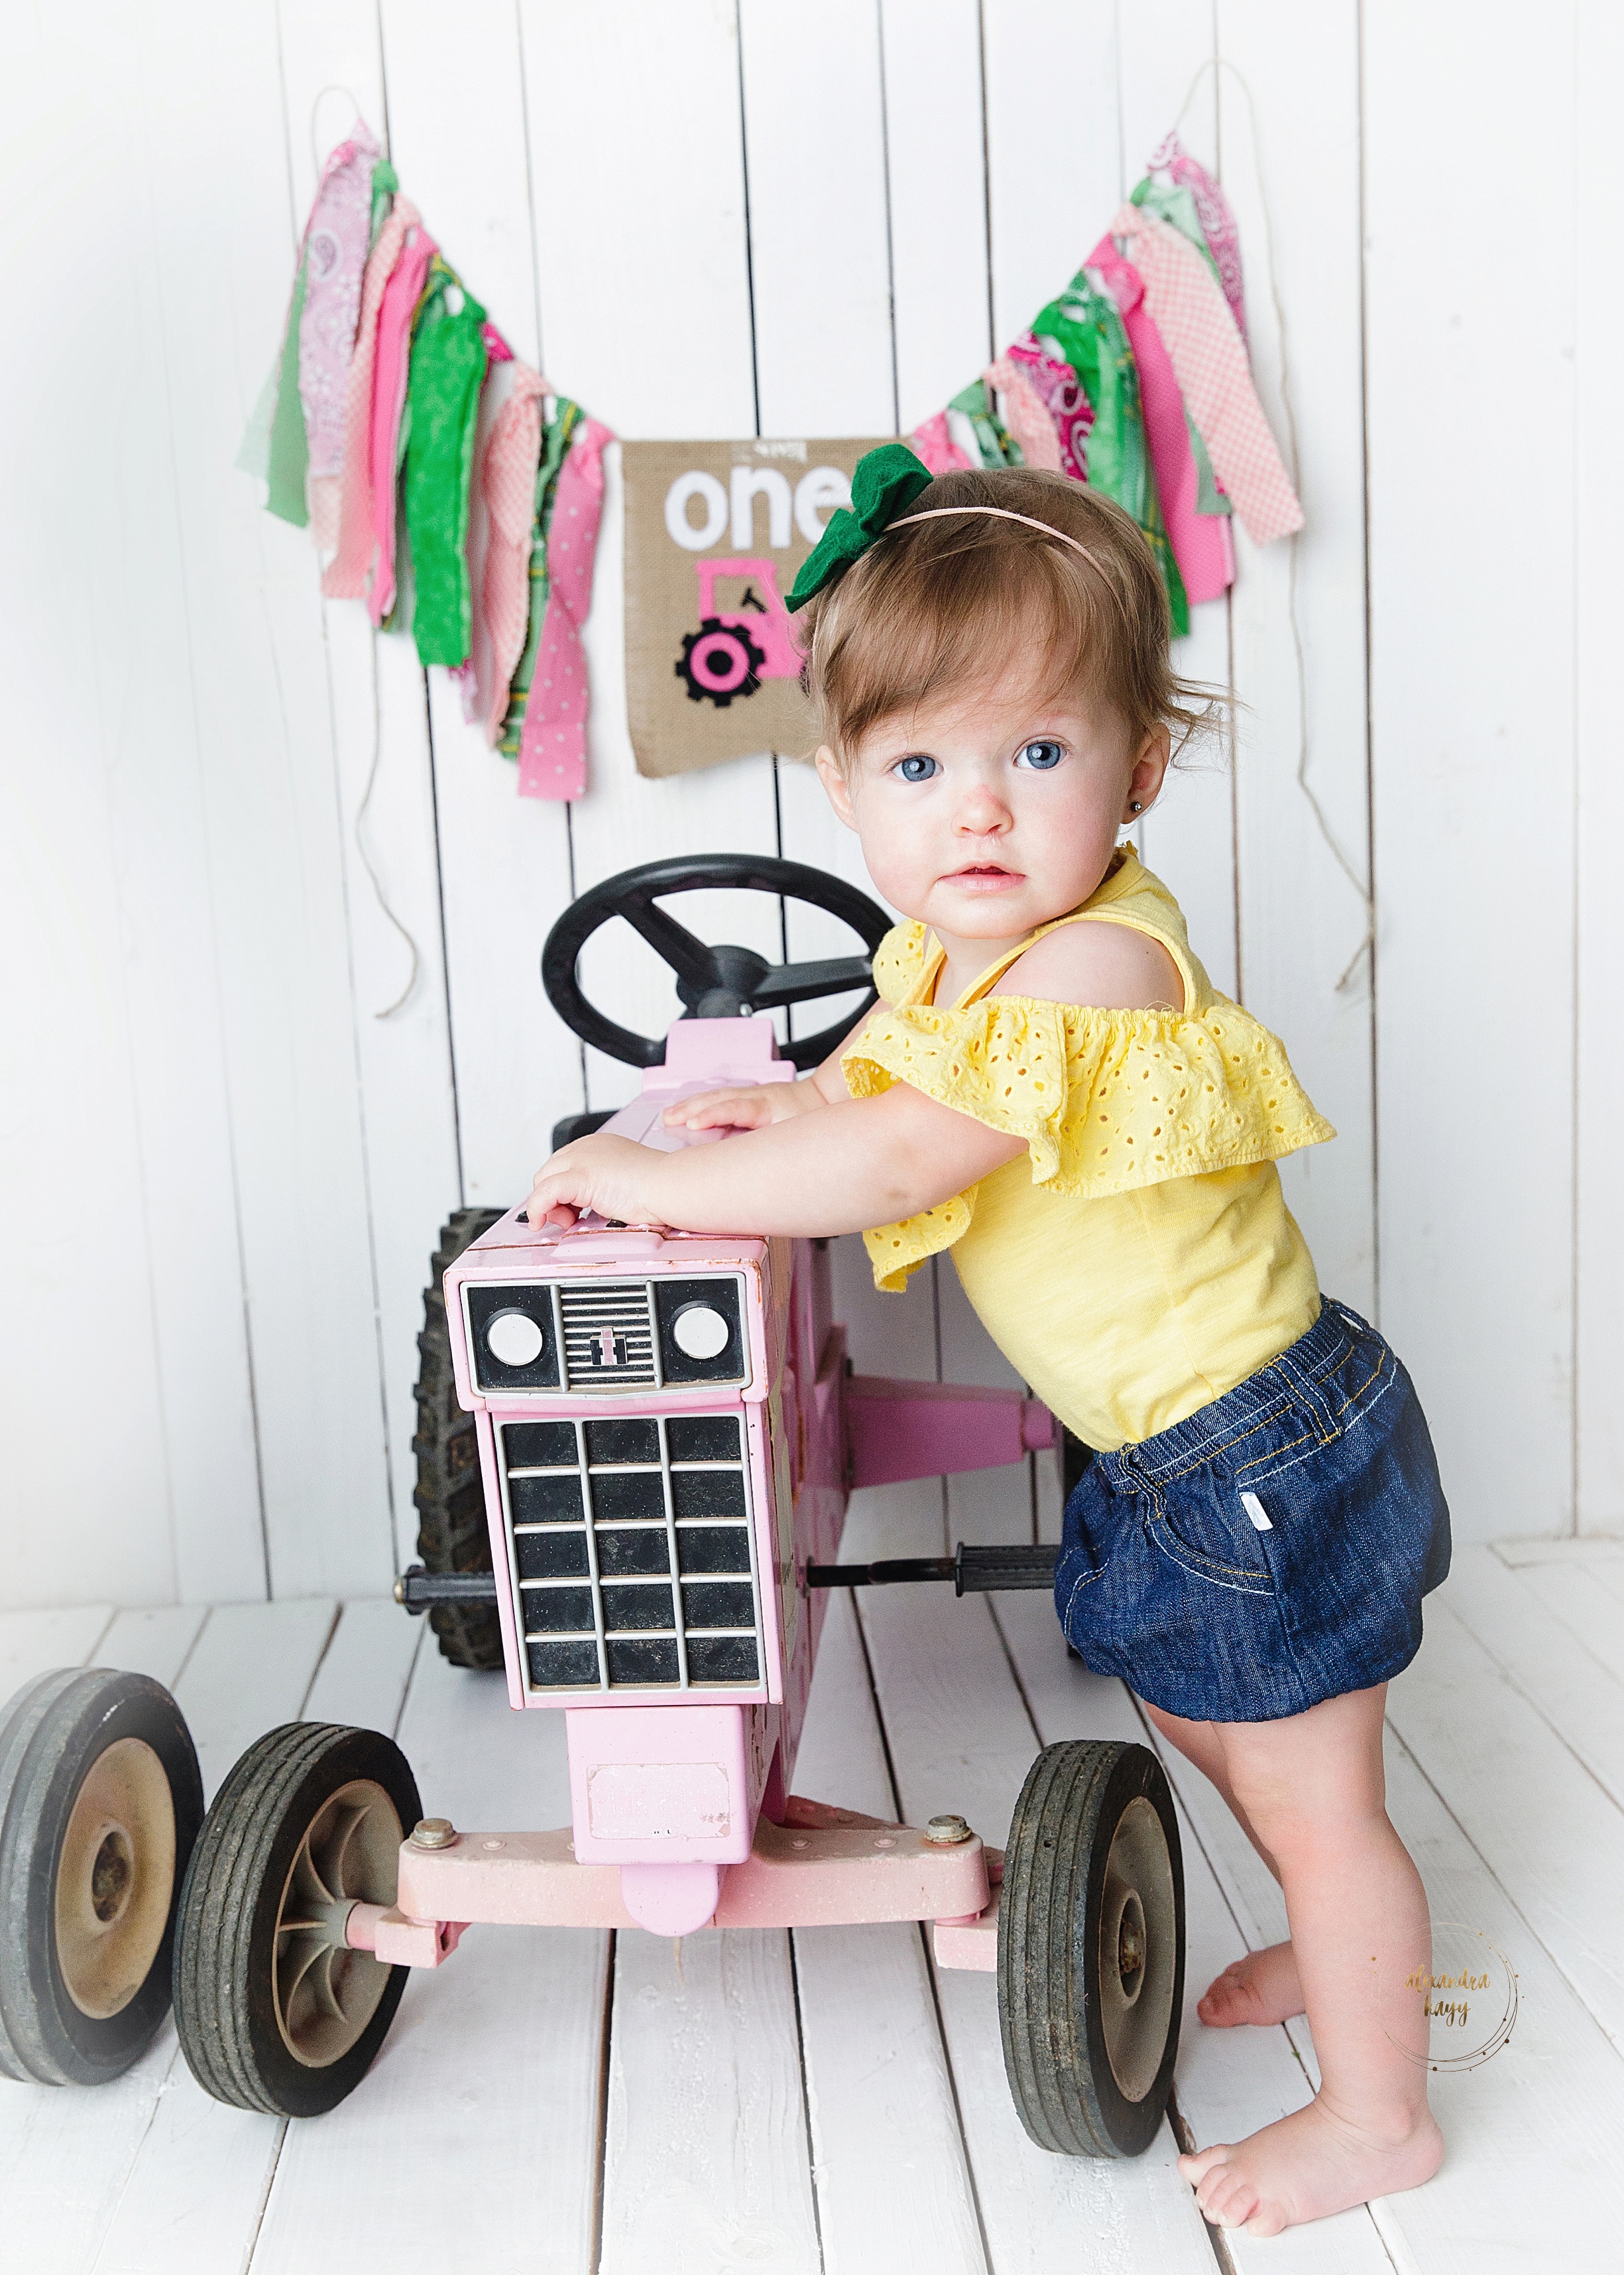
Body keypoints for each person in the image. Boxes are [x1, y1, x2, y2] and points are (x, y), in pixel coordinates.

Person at [527, 445, 1451, 2238]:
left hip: (1249, 1446)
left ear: (1138, 770)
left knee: (1317, 1791)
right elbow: (876, 1078)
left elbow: (902, 1148)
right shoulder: (946, 954)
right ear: (841, 781)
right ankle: (1342, 1968)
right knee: (1217, 1733)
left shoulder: (1094, 966)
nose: (978, 813)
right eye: (920, 765)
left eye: (1037, 756)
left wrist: (647, 1172)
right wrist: (762, 1108)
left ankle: (1378, 2110)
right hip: (1167, 1450)